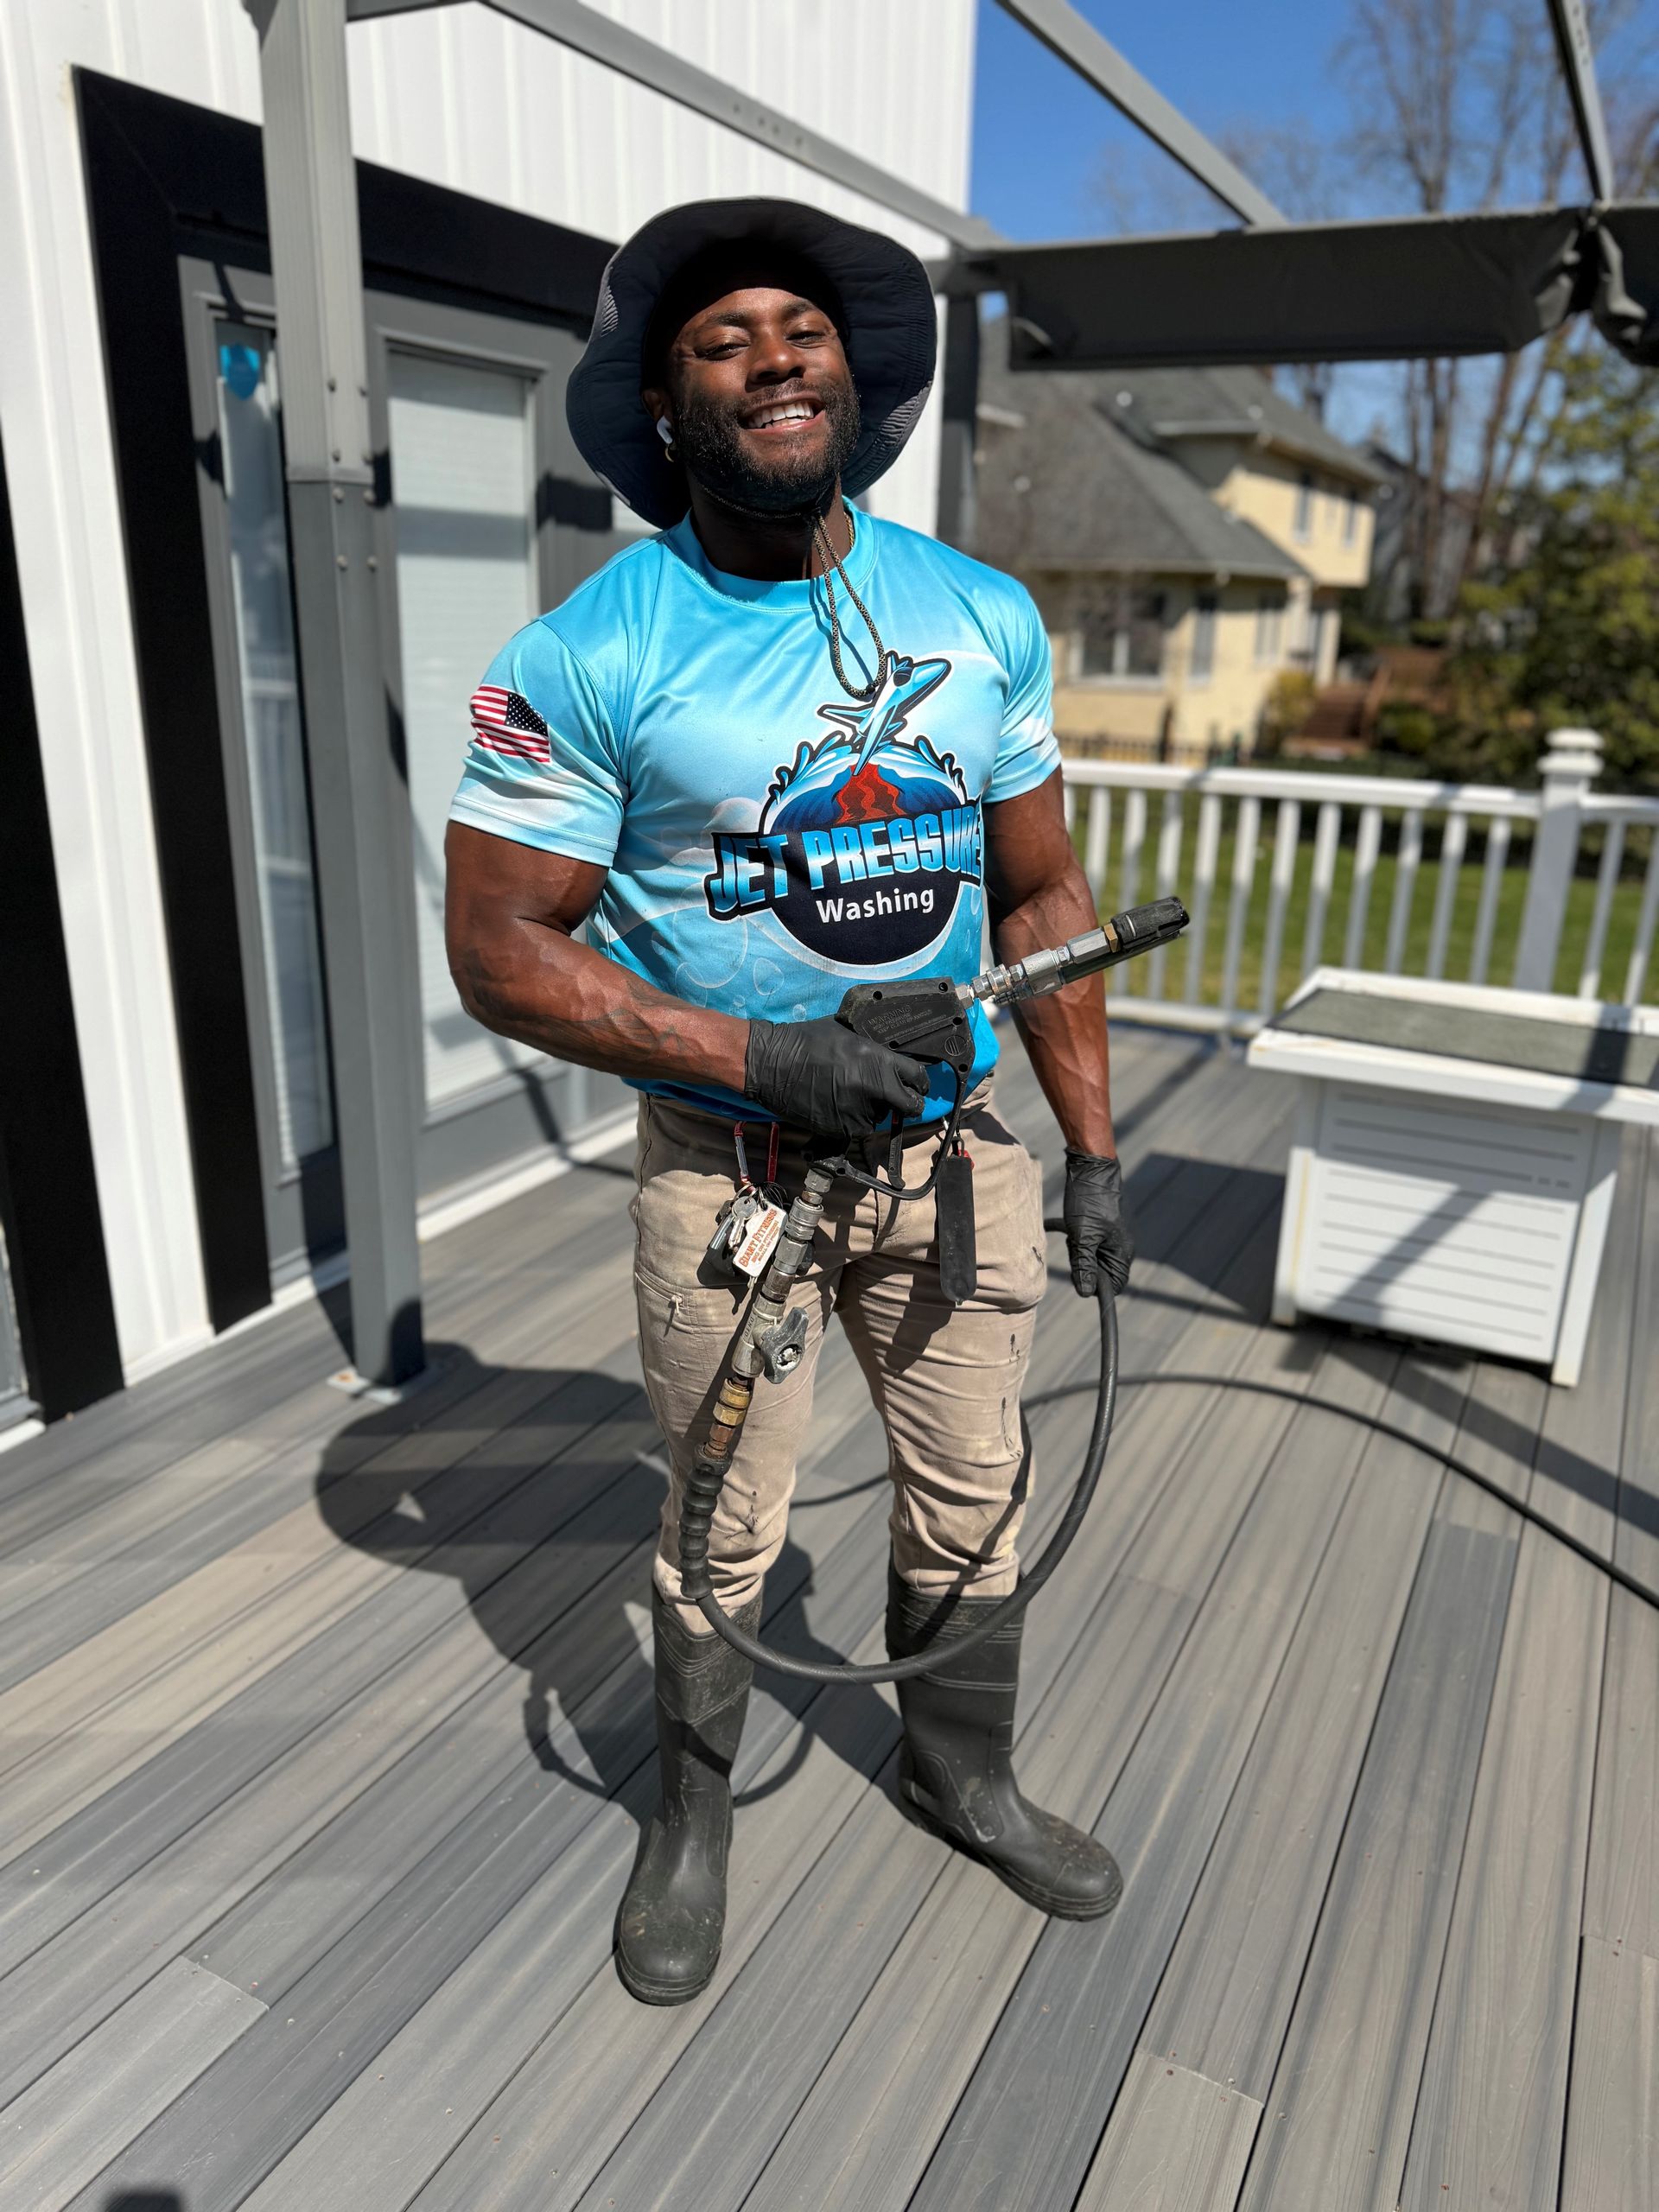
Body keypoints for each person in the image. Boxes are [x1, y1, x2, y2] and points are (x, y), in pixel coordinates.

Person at [445, 199, 1134, 2008]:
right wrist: (768, 1058)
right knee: (721, 1520)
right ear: (666, 406)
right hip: (732, 1174)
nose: (775, 351)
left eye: (801, 325)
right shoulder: (586, 653)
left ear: (850, 376)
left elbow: (1046, 898)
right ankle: (692, 1818)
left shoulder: (977, 614)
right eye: (724, 337)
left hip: (954, 1164)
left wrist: (1099, 1146)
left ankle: (959, 1764)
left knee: (977, 1480)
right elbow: (504, 948)